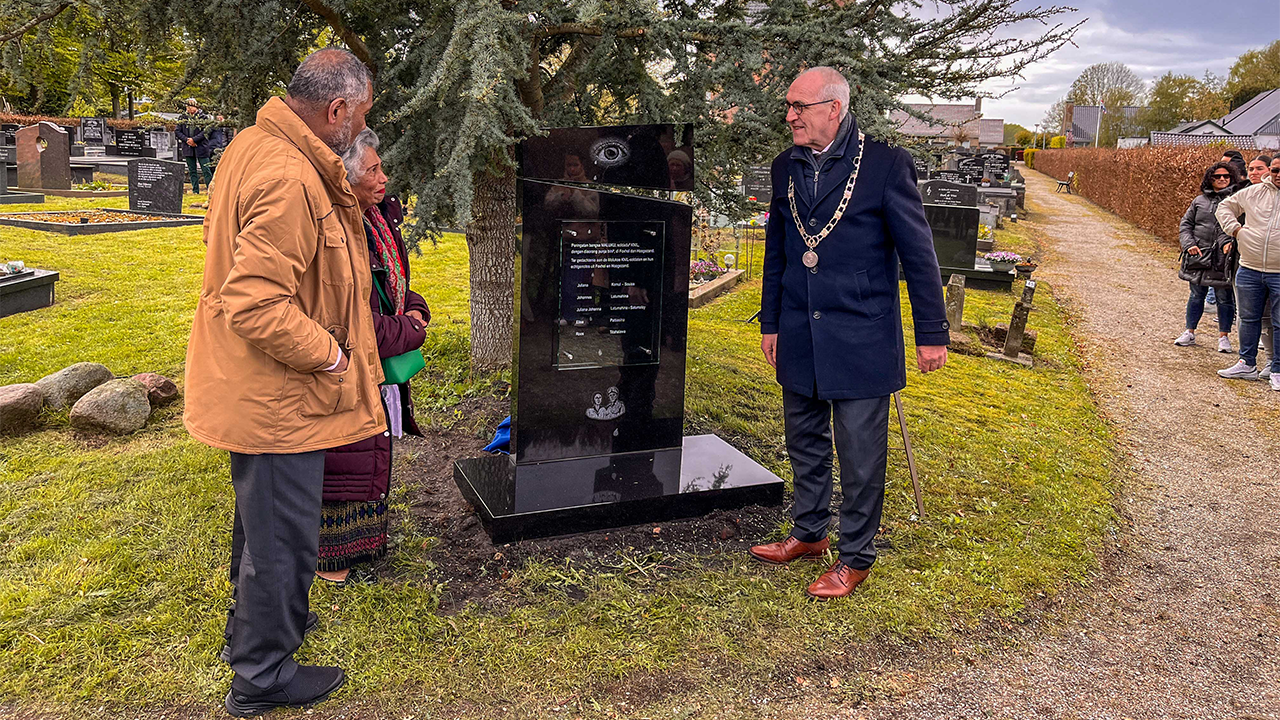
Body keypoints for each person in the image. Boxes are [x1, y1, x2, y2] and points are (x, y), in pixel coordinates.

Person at [184, 48, 380, 716]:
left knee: (261, 526)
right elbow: (257, 302)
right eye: (361, 116)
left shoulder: (254, 143)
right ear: (336, 110)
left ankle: (255, 633)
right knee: (280, 538)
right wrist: (330, 355)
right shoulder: (291, 176)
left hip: (260, 386)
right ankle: (262, 675)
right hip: (278, 394)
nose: (359, 129)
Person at [750, 67, 949, 600]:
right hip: (798, 328)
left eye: (799, 106)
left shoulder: (885, 166)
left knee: (859, 454)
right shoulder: (784, 167)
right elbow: (778, 252)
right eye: (788, 107)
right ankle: (810, 532)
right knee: (804, 443)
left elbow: (919, 254)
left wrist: (933, 332)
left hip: (862, 334)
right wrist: (770, 322)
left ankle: (856, 556)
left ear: (833, 109)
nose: (789, 116)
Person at [317, 128, 429, 584]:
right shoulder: (340, 230)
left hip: (376, 366)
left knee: (369, 449)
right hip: (345, 367)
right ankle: (332, 562)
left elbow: (392, 287)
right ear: (344, 177)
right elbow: (352, 319)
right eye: (373, 169)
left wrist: (416, 308)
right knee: (343, 458)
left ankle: (364, 545)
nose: (384, 177)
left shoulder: (378, 220)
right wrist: (410, 330)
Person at [1216, 156, 1280, 390]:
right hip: (1250, 267)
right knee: (1249, 318)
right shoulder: (1255, 192)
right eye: (1275, 170)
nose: (1278, 174)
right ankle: (1247, 363)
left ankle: (1277, 369)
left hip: (1279, 271)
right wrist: (1235, 229)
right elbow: (1225, 207)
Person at [1174, 163, 1239, 351]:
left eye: (1226, 176)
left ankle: (1224, 338)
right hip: (1198, 257)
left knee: (1224, 299)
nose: (1222, 179)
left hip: (1222, 259)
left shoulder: (1236, 201)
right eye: (1217, 176)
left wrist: (1230, 245)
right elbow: (1186, 224)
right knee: (1196, 296)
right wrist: (1189, 244)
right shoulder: (1199, 201)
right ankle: (1189, 331)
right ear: (1210, 178)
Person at [175, 99, 214, 193]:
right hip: (188, 147)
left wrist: (194, 140)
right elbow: (177, 131)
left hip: (201, 147)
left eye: (191, 107)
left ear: (196, 107)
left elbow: (206, 131)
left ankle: (210, 190)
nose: (189, 109)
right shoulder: (182, 118)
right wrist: (187, 140)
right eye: (187, 107)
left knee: (206, 170)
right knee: (192, 170)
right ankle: (195, 190)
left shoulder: (203, 117)